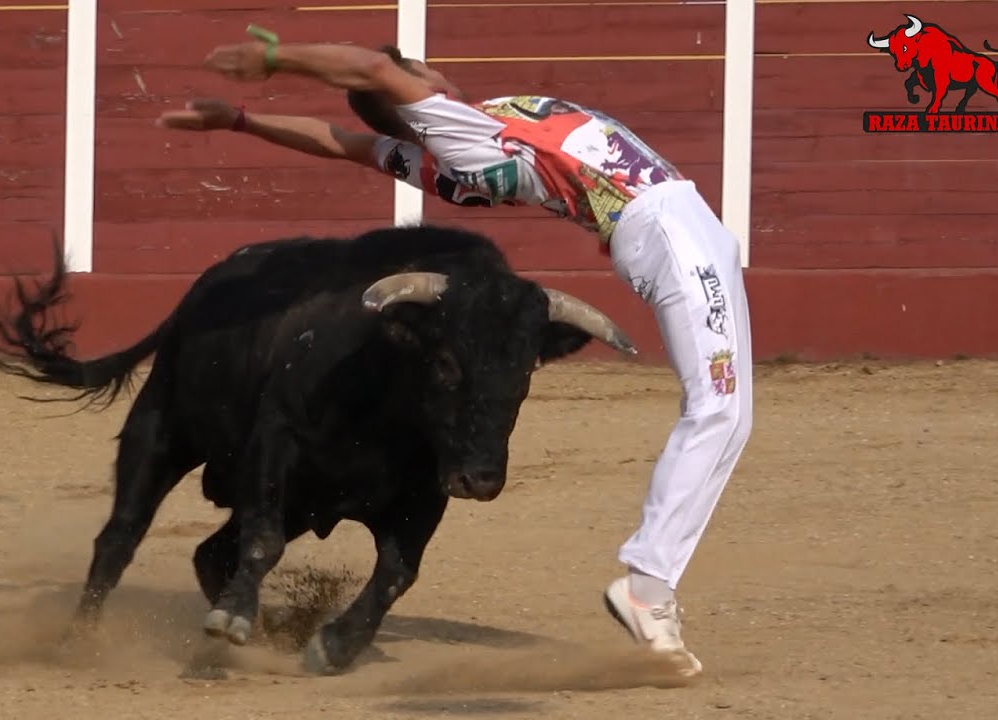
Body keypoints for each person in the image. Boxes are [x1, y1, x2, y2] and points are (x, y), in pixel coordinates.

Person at [158, 38, 753, 677]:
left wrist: (242, 120)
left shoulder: (444, 155)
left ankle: (651, 584)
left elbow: (341, 141)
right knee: (716, 409)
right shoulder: (450, 127)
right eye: (417, 71)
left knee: (731, 414)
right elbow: (371, 70)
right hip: (666, 228)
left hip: (682, 229)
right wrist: (276, 59)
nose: (431, 69)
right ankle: (647, 586)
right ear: (420, 92)